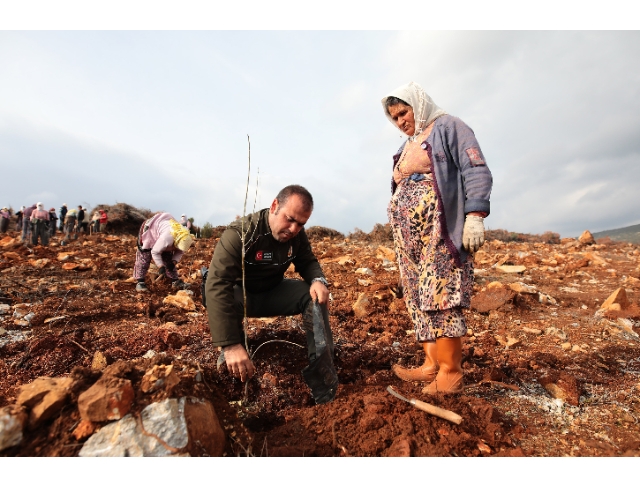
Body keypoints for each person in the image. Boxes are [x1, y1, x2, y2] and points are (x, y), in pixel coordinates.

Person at [381, 82, 493, 395]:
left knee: (440, 294)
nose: (401, 121)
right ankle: (431, 365)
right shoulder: (409, 144)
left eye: (404, 112)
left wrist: (475, 215)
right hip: (410, 241)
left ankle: (450, 373)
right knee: (418, 297)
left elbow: (477, 169)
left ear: (418, 104)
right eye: (394, 118)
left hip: (440, 232)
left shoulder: (449, 127)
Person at [204, 185, 338, 405]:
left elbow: (307, 261)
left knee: (313, 296)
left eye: (301, 224)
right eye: (290, 219)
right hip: (242, 297)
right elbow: (218, 284)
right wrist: (230, 345)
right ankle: (233, 350)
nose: (294, 229)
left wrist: (318, 280)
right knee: (216, 293)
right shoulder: (239, 233)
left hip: (273, 292)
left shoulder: (296, 235)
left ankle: (322, 366)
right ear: (275, 206)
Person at [134, 212, 194, 292]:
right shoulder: (166, 239)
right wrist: (161, 266)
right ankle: (140, 282)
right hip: (150, 231)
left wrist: (173, 262)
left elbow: (179, 252)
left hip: (163, 236)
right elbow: (155, 252)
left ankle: (175, 282)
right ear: (176, 241)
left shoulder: (183, 237)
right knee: (145, 257)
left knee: (168, 260)